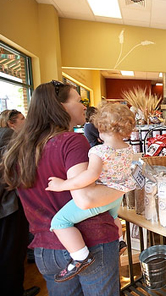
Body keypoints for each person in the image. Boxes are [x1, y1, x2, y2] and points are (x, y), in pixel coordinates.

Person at [1, 80, 125, 295]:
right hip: (91, 244)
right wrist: (125, 186)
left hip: (46, 249)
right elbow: (85, 199)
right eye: (78, 100)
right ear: (60, 107)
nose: (84, 106)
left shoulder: (20, 148)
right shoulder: (72, 142)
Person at [45, 103, 136, 282]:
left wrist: (63, 184)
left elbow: (89, 176)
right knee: (113, 218)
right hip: (116, 196)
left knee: (59, 222)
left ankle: (80, 256)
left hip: (100, 197)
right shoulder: (128, 149)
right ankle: (119, 242)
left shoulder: (99, 151)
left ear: (101, 128)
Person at [0, 110, 40, 296]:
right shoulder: (10, 141)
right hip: (8, 207)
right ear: (11, 123)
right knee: (12, 253)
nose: (26, 121)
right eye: (22, 118)